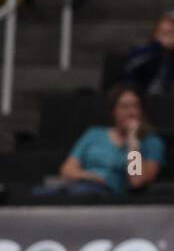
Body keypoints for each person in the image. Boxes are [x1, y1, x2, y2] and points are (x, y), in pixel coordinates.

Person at [35, 84, 166, 196]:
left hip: (108, 195)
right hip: (79, 185)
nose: (131, 112)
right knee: (40, 193)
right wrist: (88, 176)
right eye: (125, 107)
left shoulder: (152, 142)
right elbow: (67, 169)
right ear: (114, 111)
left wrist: (133, 142)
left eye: (136, 106)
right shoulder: (94, 134)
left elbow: (136, 181)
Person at [122, 12, 174, 94]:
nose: (167, 37)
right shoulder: (144, 52)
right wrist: (157, 48)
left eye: (171, 33)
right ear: (154, 34)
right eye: (163, 33)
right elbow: (130, 70)